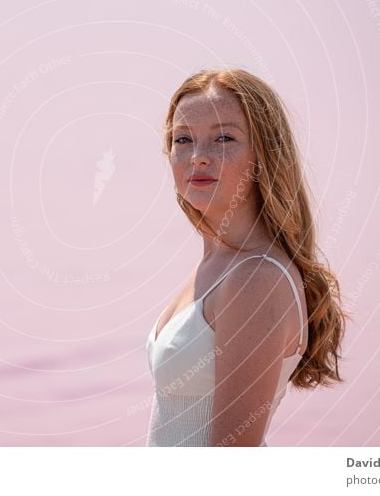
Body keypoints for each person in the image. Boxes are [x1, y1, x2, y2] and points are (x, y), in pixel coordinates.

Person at [145, 68, 350, 447]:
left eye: (224, 138)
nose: (199, 157)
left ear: (264, 154)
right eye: (183, 139)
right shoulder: (218, 263)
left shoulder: (255, 279)